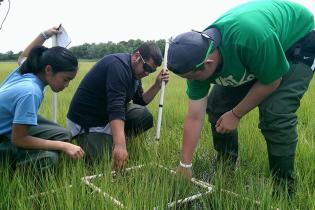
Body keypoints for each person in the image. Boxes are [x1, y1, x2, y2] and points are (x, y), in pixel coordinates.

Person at [167, 0, 315, 196]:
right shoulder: (196, 59)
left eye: (191, 77)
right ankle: (226, 168)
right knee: (217, 105)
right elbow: (194, 116)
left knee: (275, 113)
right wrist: (185, 163)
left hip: (298, 42)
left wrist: (236, 114)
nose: (191, 82)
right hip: (259, 48)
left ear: (208, 63)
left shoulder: (248, 38)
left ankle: (283, 190)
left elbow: (272, 81)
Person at [67, 41, 169, 170]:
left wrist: (157, 85)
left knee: (143, 115)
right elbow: (116, 107)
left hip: (106, 115)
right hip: (88, 122)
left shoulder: (135, 73)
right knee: (103, 163)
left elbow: (140, 101)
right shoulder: (118, 66)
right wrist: (120, 146)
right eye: (147, 68)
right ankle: (97, 140)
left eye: (152, 70)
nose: (147, 73)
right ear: (137, 56)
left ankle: (116, 138)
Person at [0, 26, 85, 170]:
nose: (67, 85)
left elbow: (24, 57)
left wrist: (44, 35)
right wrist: (63, 146)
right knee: (49, 159)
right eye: (66, 79)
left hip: (10, 126)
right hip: (5, 136)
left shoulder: (27, 70)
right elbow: (18, 138)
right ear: (48, 70)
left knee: (63, 134)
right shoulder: (30, 91)